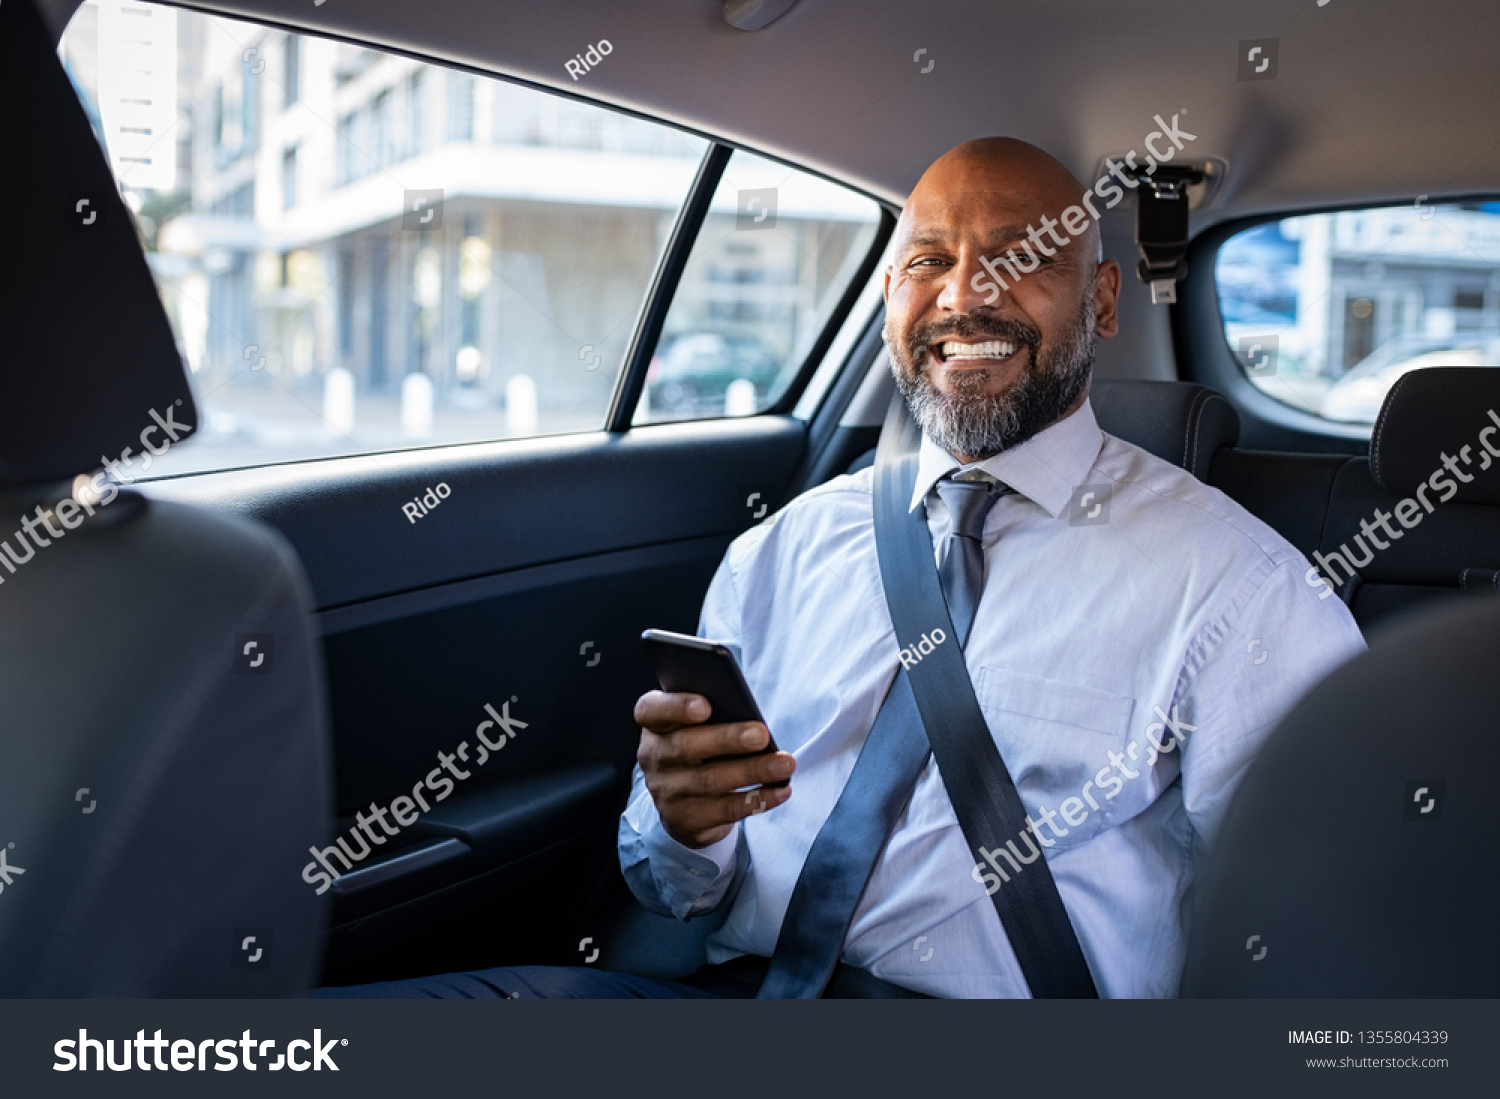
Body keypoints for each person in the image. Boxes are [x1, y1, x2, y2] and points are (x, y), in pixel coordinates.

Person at [319, 137, 1365, 1000]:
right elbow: (674, 886)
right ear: (888, 297)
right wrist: (688, 825)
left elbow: (1317, 935)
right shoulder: (779, 551)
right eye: (927, 261)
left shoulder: (1238, 590)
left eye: (1020, 255)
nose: (967, 293)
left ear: (1101, 302)